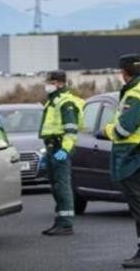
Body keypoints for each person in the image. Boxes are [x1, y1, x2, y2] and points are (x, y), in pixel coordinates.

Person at [98, 54, 140, 269]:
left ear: (123, 72)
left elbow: (123, 129)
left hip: (136, 156)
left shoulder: (136, 94)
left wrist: (107, 130)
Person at [38, 70, 83, 236]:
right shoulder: (53, 101)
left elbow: (71, 130)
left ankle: (66, 224)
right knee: (56, 186)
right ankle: (59, 221)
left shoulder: (65, 102)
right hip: (52, 148)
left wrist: (65, 150)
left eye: (50, 82)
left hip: (59, 148)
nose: (47, 85)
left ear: (60, 83)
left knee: (62, 186)